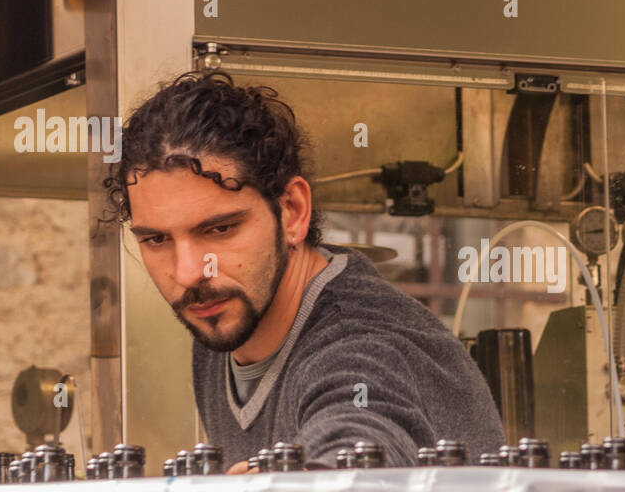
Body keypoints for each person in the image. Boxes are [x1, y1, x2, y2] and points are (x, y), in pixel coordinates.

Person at [103, 71, 506, 469]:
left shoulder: (360, 342)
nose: (189, 273)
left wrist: (301, 484)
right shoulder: (222, 319)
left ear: (292, 211)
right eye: (157, 240)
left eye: (220, 229)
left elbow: (360, 441)